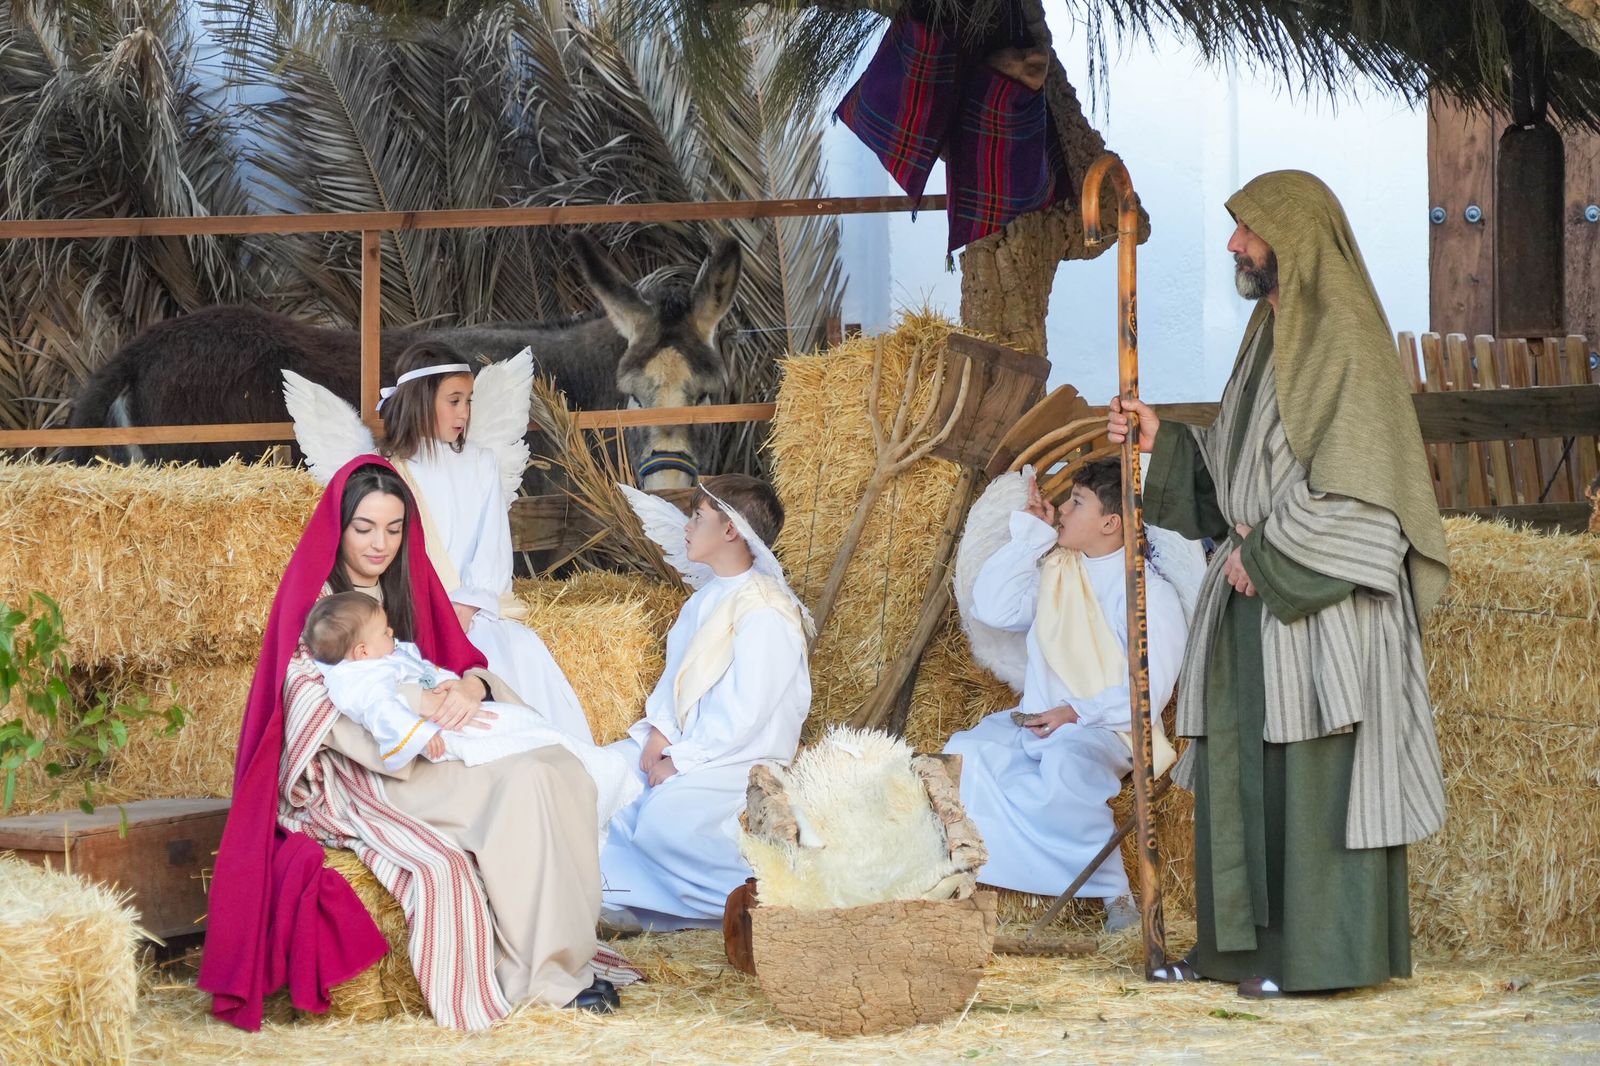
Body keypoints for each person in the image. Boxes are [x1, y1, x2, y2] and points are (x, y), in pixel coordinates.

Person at [1108, 170, 1450, 998]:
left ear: (1292, 239)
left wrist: (1266, 558)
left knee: (1316, 786)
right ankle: (1242, 957)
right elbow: (1245, 468)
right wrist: (1168, 444)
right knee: (1245, 779)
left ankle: (1317, 962)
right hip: (1254, 607)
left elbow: (1364, 496)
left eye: (1248, 231)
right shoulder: (1272, 332)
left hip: (1318, 609)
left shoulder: (1345, 342)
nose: (1234, 246)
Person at [199, 458, 631, 1031]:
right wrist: (412, 710)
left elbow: (465, 662)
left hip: (444, 737)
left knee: (561, 765)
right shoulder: (318, 599)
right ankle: (543, 980)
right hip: (380, 766)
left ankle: (567, 954)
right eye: (365, 528)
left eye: (394, 529)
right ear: (339, 527)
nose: (381, 544)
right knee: (525, 782)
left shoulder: (409, 581)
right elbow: (304, 696)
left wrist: (467, 689)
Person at [944, 460, 1187, 930]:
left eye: (1077, 503)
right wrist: (1029, 537)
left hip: (1103, 729)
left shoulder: (1148, 594)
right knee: (963, 755)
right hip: (1036, 720)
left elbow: (1147, 691)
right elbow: (990, 607)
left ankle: (1115, 896)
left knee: (1064, 766)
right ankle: (985, 888)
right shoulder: (1055, 568)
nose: (1063, 511)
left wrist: (1075, 712)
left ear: (1110, 523)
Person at [599, 474, 811, 930]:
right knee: (603, 782)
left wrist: (682, 760)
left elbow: (747, 712)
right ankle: (626, 900)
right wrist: (660, 733)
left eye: (698, 516)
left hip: (741, 758)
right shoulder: (706, 599)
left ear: (731, 530)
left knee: (665, 823)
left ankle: (757, 908)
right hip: (688, 746)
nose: (686, 526)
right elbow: (676, 680)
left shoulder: (767, 610)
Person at [379, 341, 594, 742]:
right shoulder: (390, 472)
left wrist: (464, 608)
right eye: (454, 400)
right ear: (421, 401)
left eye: (469, 401)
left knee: (512, 657)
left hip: (472, 612)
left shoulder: (480, 463)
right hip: (414, 613)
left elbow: (491, 544)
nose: (464, 413)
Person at [303, 594, 640, 832]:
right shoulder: (362, 678)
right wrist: (422, 735)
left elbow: (424, 671)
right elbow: (383, 712)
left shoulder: (378, 659)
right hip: (442, 734)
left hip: (448, 713)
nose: (393, 635)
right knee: (528, 737)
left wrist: (453, 684)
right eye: (385, 633)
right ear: (362, 650)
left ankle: (599, 776)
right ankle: (604, 777)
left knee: (532, 726)